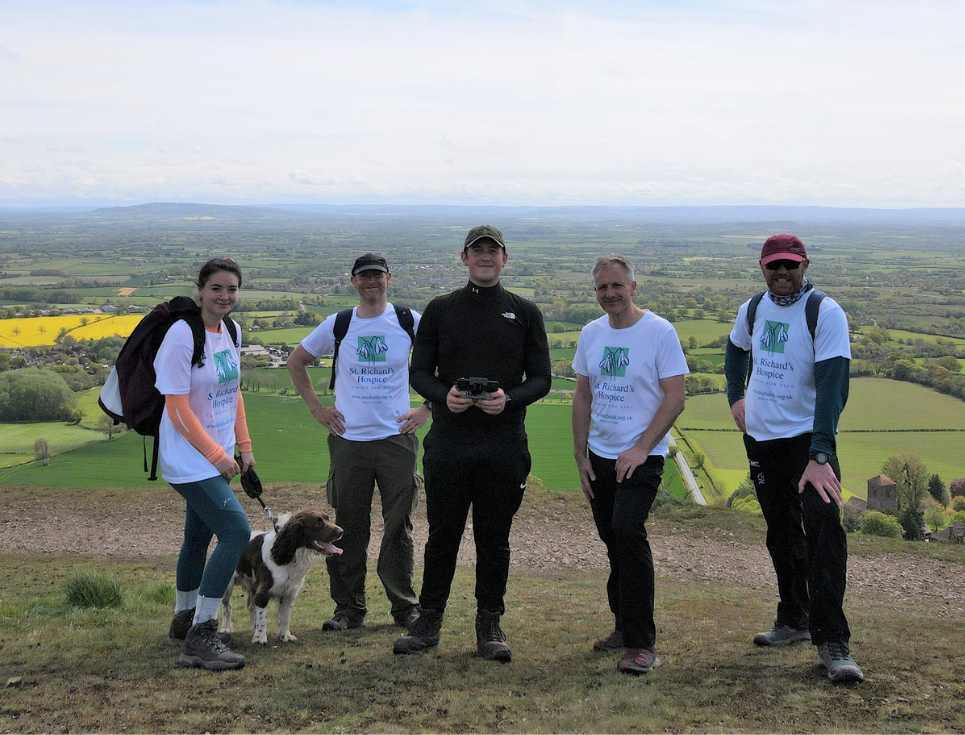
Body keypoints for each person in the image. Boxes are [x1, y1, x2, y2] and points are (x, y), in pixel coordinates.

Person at [393, 224, 551, 662]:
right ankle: (428, 622)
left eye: (492, 251)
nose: (485, 257)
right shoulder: (441, 310)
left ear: (505, 259)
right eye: (476, 251)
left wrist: (509, 399)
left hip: (504, 446)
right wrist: (446, 396)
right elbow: (418, 372)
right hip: (449, 444)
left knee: (494, 539)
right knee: (442, 536)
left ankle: (490, 625)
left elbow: (542, 378)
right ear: (464, 259)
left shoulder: (525, 312)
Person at [724, 234, 863, 683]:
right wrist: (735, 397)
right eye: (773, 266)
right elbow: (734, 349)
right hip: (762, 440)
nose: (781, 273)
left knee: (824, 534)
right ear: (762, 268)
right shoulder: (753, 308)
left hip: (809, 443)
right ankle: (793, 620)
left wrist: (821, 453)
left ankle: (832, 640)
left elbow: (833, 385)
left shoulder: (824, 311)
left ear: (805, 265)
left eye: (790, 265)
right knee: (781, 533)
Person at [288, 253, 428, 631]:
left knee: (399, 528)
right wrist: (317, 409)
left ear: (389, 279)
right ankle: (348, 610)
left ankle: (404, 608)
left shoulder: (408, 321)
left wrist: (426, 409)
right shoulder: (340, 324)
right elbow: (296, 361)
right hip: (348, 441)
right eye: (364, 276)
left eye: (377, 276)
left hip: (397, 440)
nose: (371, 282)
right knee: (346, 527)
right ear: (353, 281)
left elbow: (446, 360)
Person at [571, 255, 688, 675]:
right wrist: (580, 454)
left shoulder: (658, 332)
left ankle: (642, 644)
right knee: (612, 540)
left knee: (627, 531)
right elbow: (583, 395)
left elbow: (675, 397)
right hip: (600, 456)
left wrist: (640, 448)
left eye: (617, 286)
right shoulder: (591, 334)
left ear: (634, 288)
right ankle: (623, 626)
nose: (610, 294)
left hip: (643, 456)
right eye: (602, 288)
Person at [159, 257, 252, 671]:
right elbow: (176, 406)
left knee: (197, 536)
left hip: (218, 454)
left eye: (231, 289)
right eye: (216, 288)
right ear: (200, 289)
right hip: (188, 458)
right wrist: (216, 455)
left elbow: (233, 393)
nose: (224, 297)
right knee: (236, 530)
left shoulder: (230, 330)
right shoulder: (182, 335)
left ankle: (184, 618)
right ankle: (202, 633)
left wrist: (243, 447)